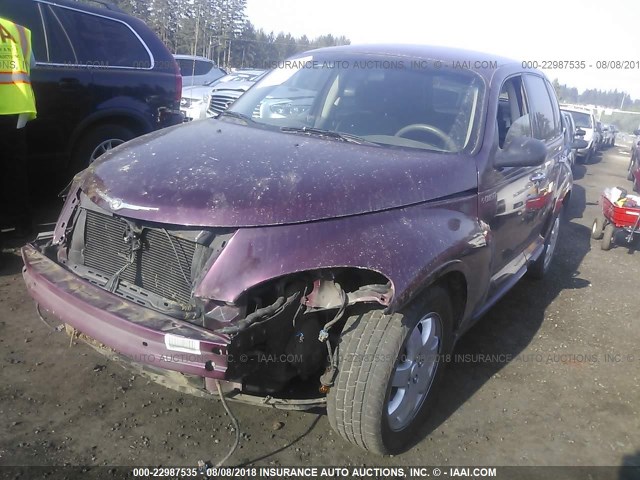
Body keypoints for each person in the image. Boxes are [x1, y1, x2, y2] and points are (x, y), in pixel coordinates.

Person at [0, 16, 37, 237]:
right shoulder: (20, 31)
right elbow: (31, 64)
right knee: (15, 172)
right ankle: (25, 229)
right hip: (17, 109)